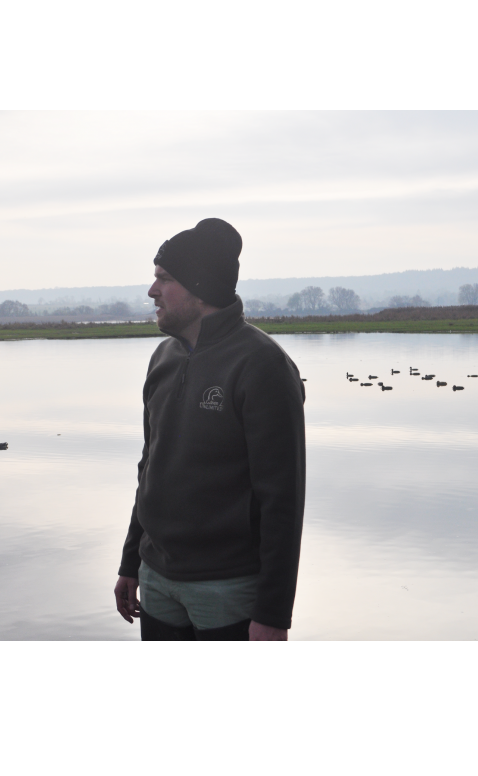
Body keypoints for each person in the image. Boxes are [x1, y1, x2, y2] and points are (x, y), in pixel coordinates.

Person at [114, 218, 306, 641]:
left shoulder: (263, 365)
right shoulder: (162, 358)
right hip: (157, 579)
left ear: (199, 288)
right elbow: (151, 468)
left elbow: (283, 499)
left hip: (228, 587)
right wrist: (131, 562)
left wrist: (273, 612)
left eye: (165, 278)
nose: (152, 290)